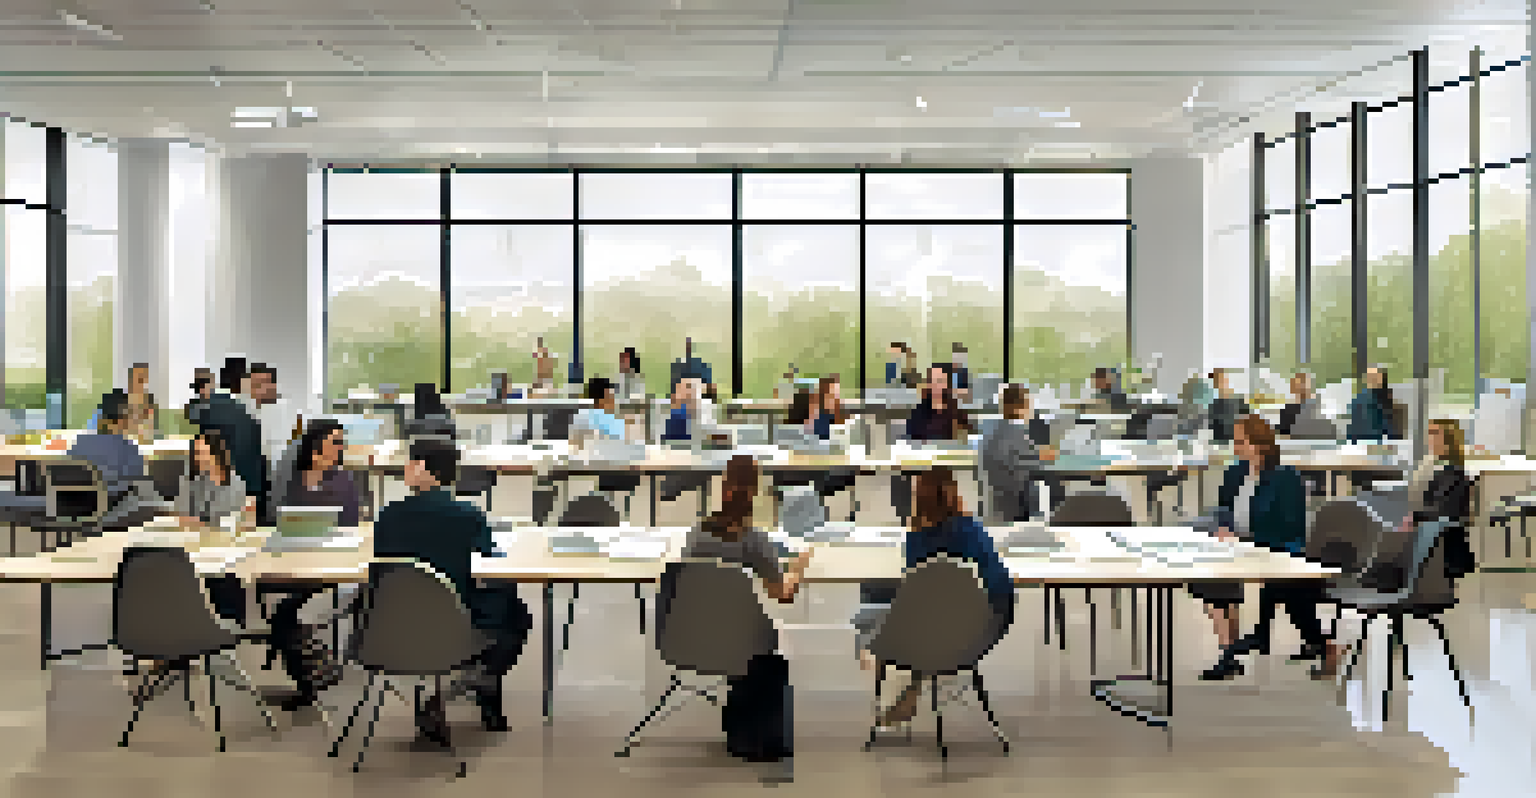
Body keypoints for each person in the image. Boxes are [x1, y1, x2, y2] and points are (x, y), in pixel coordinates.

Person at [373, 438, 533, 740]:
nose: (405, 468)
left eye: (410, 462)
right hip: (455, 623)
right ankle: (483, 678)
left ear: (422, 468)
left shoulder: (388, 515)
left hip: (389, 626)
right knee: (516, 611)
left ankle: (476, 682)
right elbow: (490, 559)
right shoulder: (468, 515)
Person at [674, 455, 812, 764]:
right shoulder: (755, 541)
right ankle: (762, 733)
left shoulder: (696, 534)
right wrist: (797, 568)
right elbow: (783, 595)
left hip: (694, 635)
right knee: (773, 641)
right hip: (744, 642)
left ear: (722, 486)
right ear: (755, 492)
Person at [1313, 418, 1475, 679]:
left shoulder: (1454, 475)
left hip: (1435, 554)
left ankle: (1341, 637)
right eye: (1429, 432)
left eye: (1436, 433)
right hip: (1417, 541)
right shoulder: (1432, 467)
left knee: (1374, 565)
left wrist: (1416, 518)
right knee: (1365, 556)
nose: (1430, 438)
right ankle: (1340, 636)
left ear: (1449, 438)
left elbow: (1445, 514)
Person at [855, 468, 1015, 729]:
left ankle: (895, 682)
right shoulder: (972, 530)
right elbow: (999, 585)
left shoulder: (918, 539)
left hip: (947, 629)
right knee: (908, 603)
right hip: (988, 624)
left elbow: (916, 588)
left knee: (874, 603)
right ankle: (906, 683)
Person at [1199, 415, 1325, 681]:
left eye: (1240, 442)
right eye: (1235, 441)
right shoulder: (1234, 473)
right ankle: (1229, 652)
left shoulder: (1286, 477)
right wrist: (1224, 529)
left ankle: (1308, 641)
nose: (1235, 447)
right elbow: (1223, 509)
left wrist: (1249, 540)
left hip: (1274, 546)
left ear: (1259, 444)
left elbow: (1291, 526)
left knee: (1287, 587)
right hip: (1237, 546)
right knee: (1211, 579)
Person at [265, 419, 362, 711]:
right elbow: (278, 516)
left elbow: (351, 525)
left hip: (332, 565)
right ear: (315, 445)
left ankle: (310, 679)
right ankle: (315, 669)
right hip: (297, 560)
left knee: (285, 615)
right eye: (335, 441)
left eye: (341, 442)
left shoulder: (342, 479)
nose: (340, 447)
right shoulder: (294, 477)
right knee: (283, 613)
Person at [178, 430, 256, 626]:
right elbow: (183, 517)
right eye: (196, 454)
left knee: (226, 579)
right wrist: (210, 523)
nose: (199, 459)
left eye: (203, 453)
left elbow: (238, 522)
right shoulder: (191, 480)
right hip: (197, 546)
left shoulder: (235, 482)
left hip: (226, 548)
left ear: (217, 454)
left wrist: (205, 523)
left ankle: (232, 622)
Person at [195, 358, 271, 526]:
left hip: (221, 488)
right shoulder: (244, 410)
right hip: (247, 487)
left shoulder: (210, 407)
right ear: (243, 381)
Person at [69, 390, 155, 529]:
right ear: (124, 419)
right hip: (111, 514)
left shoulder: (79, 443)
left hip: (76, 510)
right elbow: (134, 483)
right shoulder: (130, 450)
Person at [980, 385, 1058, 523]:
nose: (1031, 410)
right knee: (1058, 486)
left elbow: (1020, 457)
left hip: (1002, 497)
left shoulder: (996, 430)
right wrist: (1043, 456)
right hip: (1021, 497)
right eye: (1029, 405)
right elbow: (1034, 463)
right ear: (1018, 408)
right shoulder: (1017, 433)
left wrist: (1038, 453)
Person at [574, 377, 643, 508]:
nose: (614, 400)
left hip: (585, 473)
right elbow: (631, 447)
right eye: (611, 396)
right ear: (603, 398)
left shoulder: (581, 416)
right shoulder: (611, 421)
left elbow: (575, 444)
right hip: (612, 473)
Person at [1346, 366, 1400, 442]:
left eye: (1374, 377)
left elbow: (1391, 426)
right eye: (1370, 377)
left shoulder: (1386, 400)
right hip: (1364, 441)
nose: (1372, 380)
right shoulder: (1358, 400)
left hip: (1376, 441)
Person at [1207, 368, 1250, 444]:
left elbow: (1247, 423)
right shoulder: (1213, 405)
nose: (1220, 384)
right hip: (1221, 443)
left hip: (1238, 442)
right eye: (1217, 381)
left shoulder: (1240, 401)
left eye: (1221, 380)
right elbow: (1212, 427)